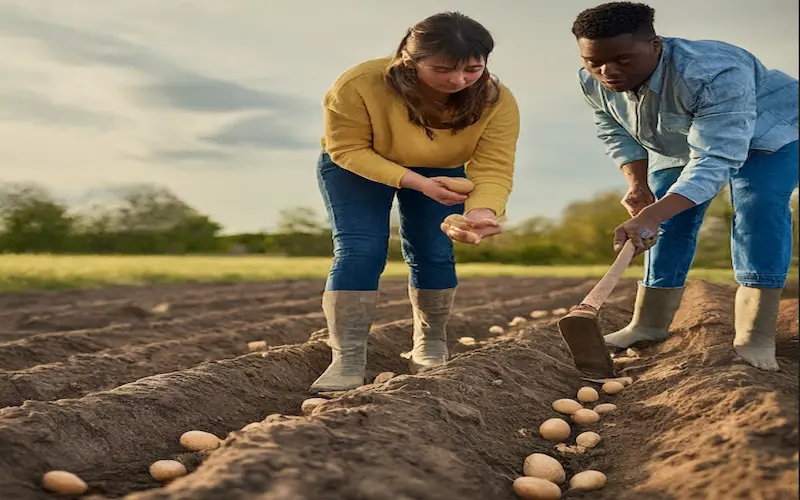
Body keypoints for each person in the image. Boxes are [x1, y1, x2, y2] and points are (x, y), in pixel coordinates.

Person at [571, 1, 798, 371]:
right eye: (594, 61)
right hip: (681, 142)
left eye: (622, 60)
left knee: (758, 208)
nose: (606, 72)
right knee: (668, 219)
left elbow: (717, 159)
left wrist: (652, 213)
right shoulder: (591, 79)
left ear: (655, 45)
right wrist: (638, 186)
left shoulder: (715, 72)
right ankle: (648, 324)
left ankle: (756, 335)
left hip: (769, 133)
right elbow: (613, 128)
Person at [310, 12, 520, 393]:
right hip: (359, 163)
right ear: (409, 58)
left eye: (472, 69)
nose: (458, 81)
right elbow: (347, 147)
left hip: (440, 168)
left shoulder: (496, 100)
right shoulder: (359, 84)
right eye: (443, 69)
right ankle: (347, 358)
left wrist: (481, 212)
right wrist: (417, 182)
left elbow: (493, 165)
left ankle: (430, 344)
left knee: (434, 250)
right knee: (361, 249)